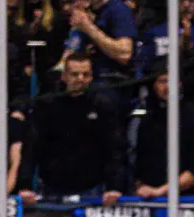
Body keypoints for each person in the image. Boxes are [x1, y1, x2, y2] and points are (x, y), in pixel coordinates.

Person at [26, 53, 125, 203]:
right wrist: (25, 185)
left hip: (93, 188)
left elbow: (114, 148)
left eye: (85, 74)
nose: (80, 79)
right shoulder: (47, 104)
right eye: (75, 74)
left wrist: (115, 186)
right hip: (51, 187)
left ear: (91, 77)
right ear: (64, 76)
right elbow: (32, 146)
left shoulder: (103, 105)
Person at [132, 69, 194, 199]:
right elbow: (140, 166)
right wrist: (141, 188)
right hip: (151, 198)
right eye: (163, 81)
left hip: (190, 199)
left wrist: (160, 191)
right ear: (154, 85)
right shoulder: (147, 120)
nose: (168, 86)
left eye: (173, 81)